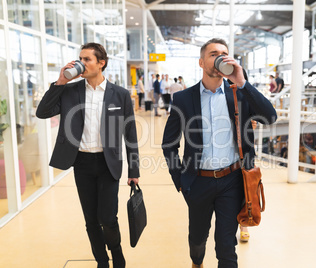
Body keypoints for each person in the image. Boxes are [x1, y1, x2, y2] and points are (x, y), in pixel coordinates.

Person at [162, 38, 277, 268]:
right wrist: (181, 181)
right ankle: (197, 262)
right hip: (198, 182)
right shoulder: (183, 99)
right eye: (214, 53)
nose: (220, 57)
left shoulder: (239, 94)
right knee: (197, 238)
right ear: (202, 63)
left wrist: (243, 82)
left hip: (232, 181)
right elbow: (169, 144)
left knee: (226, 244)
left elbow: (270, 117)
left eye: (224, 53)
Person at [35, 43, 140, 268]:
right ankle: (101, 261)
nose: (81, 63)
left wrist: (134, 171)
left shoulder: (120, 95)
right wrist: (61, 82)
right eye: (79, 58)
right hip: (81, 162)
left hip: (108, 163)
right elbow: (42, 112)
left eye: (87, 59)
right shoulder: (70, 91)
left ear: (101, 63)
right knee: (91, 220)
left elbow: (130, 135)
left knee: (108, 218)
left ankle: (117, 254)